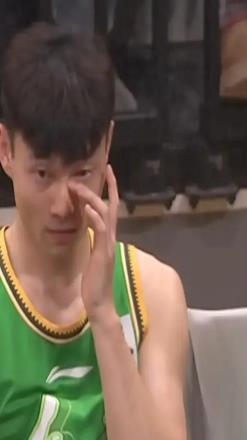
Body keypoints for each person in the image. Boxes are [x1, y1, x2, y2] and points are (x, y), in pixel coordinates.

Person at [0, 23, 188, 439]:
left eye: (82, 172)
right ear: (6, 150)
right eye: (43, 174)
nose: (62, 205)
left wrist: (103, 315)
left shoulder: (153, 292)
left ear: (108, 145)